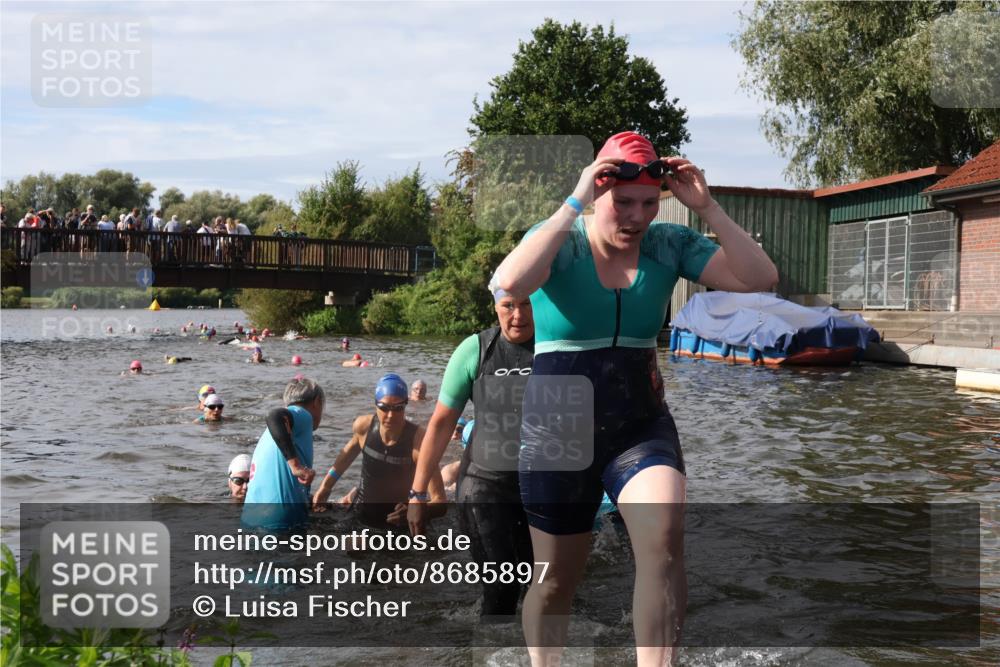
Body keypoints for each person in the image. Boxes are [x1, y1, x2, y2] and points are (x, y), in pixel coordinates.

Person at [494, 131, 778, 665]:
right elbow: (510, 282)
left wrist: (708, 206)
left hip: (639, 425)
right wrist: (574, 200)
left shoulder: (670, 243)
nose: (636, 217)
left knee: (664, 539)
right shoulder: (563, 240)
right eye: (623, 203)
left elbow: (760, 277)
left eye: (649, 204)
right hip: (558, 433)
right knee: (555, 582)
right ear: (598, 192)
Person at [408, 269, 536, 619]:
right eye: (508, 305)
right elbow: (440, 423)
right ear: (495, 307)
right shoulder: (476, 349)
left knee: (543, 584)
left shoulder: (557, 346)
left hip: (540, 486)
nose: (518, 315)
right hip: (484, 485)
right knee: (502, 588)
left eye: (527, 304)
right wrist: (418, 494)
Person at [312, 374, 446, 529]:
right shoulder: (363, 427)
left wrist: (417, 509)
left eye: (398, 408)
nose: (390, 415)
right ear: (376, 404)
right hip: (361, 515)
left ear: (406, 404)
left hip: (398, 522)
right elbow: (344, 460)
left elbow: (440, 502)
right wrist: (325, 487)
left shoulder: (419, 441)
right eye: (384, 407)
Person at [242, 377, 322, 531]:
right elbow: (274, 415)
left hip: (250, 519)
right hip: (280, 521)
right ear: (317, 401)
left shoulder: (279, 432)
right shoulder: (303, 415)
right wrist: (296, 466)